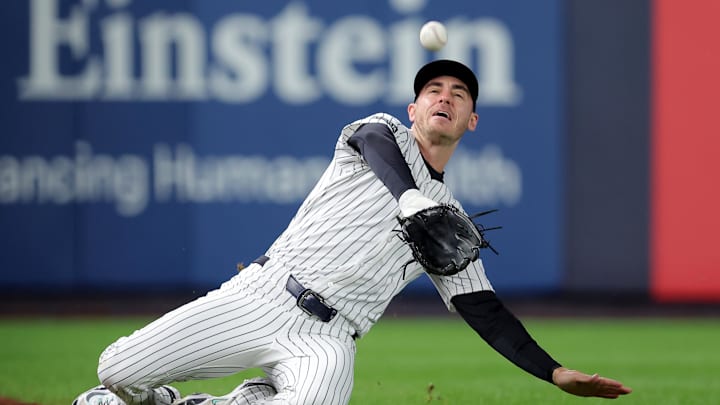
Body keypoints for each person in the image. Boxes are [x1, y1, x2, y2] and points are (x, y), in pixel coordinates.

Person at [73, 59, 632, 405]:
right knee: (117, 370)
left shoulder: (451, 223)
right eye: (433, 89)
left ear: (472, 121)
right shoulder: (381, 133)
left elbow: (483, 309)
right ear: (413, 108)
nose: (445, 96)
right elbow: (377, 146)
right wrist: (410, 197)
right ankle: (150, 401)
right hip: (262, 296)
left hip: (330, 339)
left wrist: (554, 372)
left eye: (459, 94)